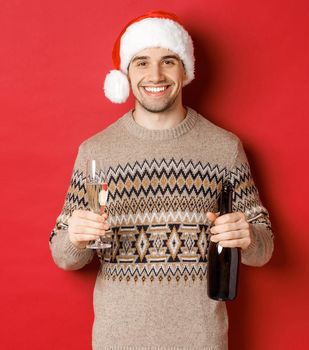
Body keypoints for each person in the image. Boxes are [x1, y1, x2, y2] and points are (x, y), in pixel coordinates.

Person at [48, 10, 274, 349]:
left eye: (168, 61)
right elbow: (64, 256)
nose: (155, 74)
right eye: (141, 62)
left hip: (200, 340)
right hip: (118, 340)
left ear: (185, 70)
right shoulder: (96, 151)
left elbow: (264, 249)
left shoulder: (224, 149)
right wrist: (74, 238)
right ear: (126, 73)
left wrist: (249, 236)